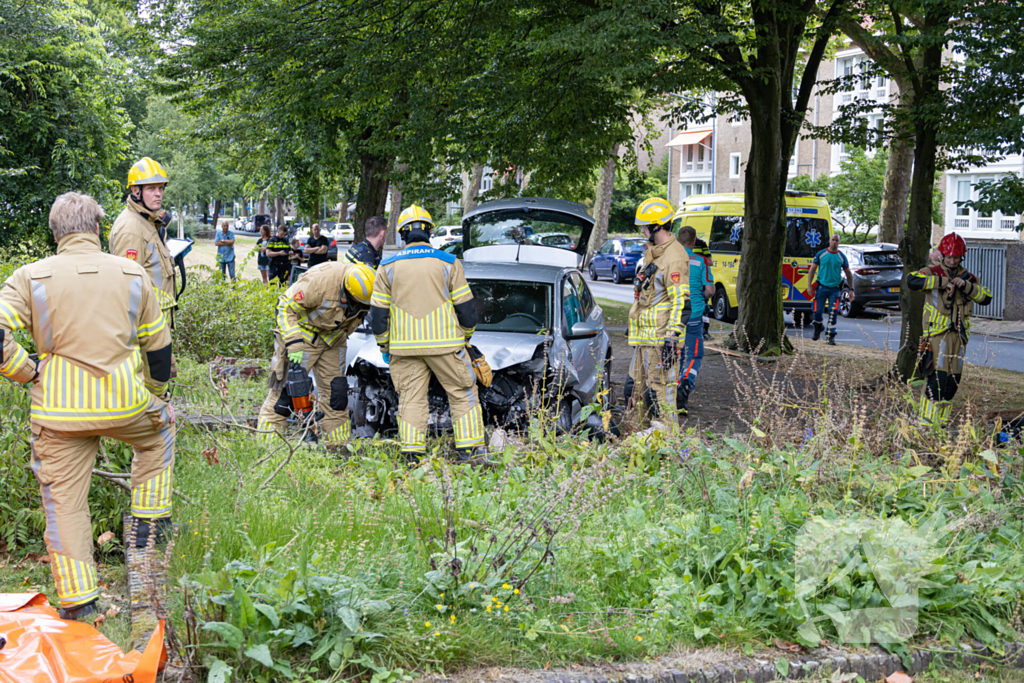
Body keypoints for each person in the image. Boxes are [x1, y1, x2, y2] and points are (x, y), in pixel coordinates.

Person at [0, 193, 174, 621]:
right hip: (127, 406)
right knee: (160, 436)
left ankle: (80, 603)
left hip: (58, 415)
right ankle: (146, 533)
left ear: (55, 232)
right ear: (96, 229)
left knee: (65, 506)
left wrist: (25, 371)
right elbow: (159, 348)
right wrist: (155, 394)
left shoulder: (29, 277)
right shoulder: (132, 274)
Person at [367, 205, 485, 462]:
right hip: (446, 346)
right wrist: (465, 338)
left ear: (402, 235)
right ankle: (471, 452)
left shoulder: (386, 267)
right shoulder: (449, 263)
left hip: (404, 349)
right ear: (429, 232)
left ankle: (412, 456)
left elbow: (378, 317)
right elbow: (467, 310)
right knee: (462, 392)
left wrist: (385, 347)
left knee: (410, 400)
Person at [256, 262, 376, 443]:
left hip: (334, 340)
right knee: (284, 396)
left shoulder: (369, 289)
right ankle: (267, 446)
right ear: (347, 289)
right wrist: (294, 342)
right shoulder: (320, 282)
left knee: (337, 397)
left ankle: (338, 447)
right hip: (303, 336)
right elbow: (284, 306)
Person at [908, 232, 992, 427]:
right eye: (949, 257)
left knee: (952, 382)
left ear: (961, 257)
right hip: (937, 335)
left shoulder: (968, 277)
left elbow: (986, 298)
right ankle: (927, 423)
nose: (952, 261)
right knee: (937, 379)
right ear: (942, 255)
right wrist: (944, 282)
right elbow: (912, 281)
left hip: (959, 336)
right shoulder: (932, 271)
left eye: (956, 257)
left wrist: (965, 286)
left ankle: (942, 424)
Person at [626, 197, 688, 427]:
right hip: (646, 339)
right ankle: (637, 446)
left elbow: (681, 303)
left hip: (661, 342)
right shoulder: (655, 252)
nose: (642, 231)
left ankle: (668, 449)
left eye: (644, 227)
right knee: (634, 394)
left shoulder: (675, 256)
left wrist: (672, 339)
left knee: (660, 397)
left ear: (657, 227)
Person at [110, 157, 176, 314]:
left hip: (157, 320)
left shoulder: (148, 221)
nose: (158, 194)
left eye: (160, 188)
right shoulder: (131, 229)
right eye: (151, 189)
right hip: (146, 325)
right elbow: (127, 288)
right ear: (135, 191)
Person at [675, 226, 716, 417]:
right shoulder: (701, 261)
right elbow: (710, 290)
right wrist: (702, 295)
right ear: (693, 242)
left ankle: (673, 390)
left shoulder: (671, 260)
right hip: (694, 315)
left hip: (674, 316)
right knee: (695, 355)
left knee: (676, 354)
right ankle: (685, 383)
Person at [807, 233, 856, 345]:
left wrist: (851, 289)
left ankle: (831, 335)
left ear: (839, 242)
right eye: (833, 240)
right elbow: (812, 270)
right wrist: (809, 285)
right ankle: (818, 326)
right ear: (829, 241)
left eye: (837, 240)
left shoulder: (842, 257)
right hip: (821, 287)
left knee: (833, 312)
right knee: (817, 311)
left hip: (835, 289)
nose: (834, 242)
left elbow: (848, 274)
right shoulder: (821, 254)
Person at [692, 237, 714, 341]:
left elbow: (710, 262)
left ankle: (704, 331)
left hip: (695, 280)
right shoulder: (701, 244)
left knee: (703, 307)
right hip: (695, 281)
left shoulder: (701, 244)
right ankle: (703, 331)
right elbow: (710, 262)